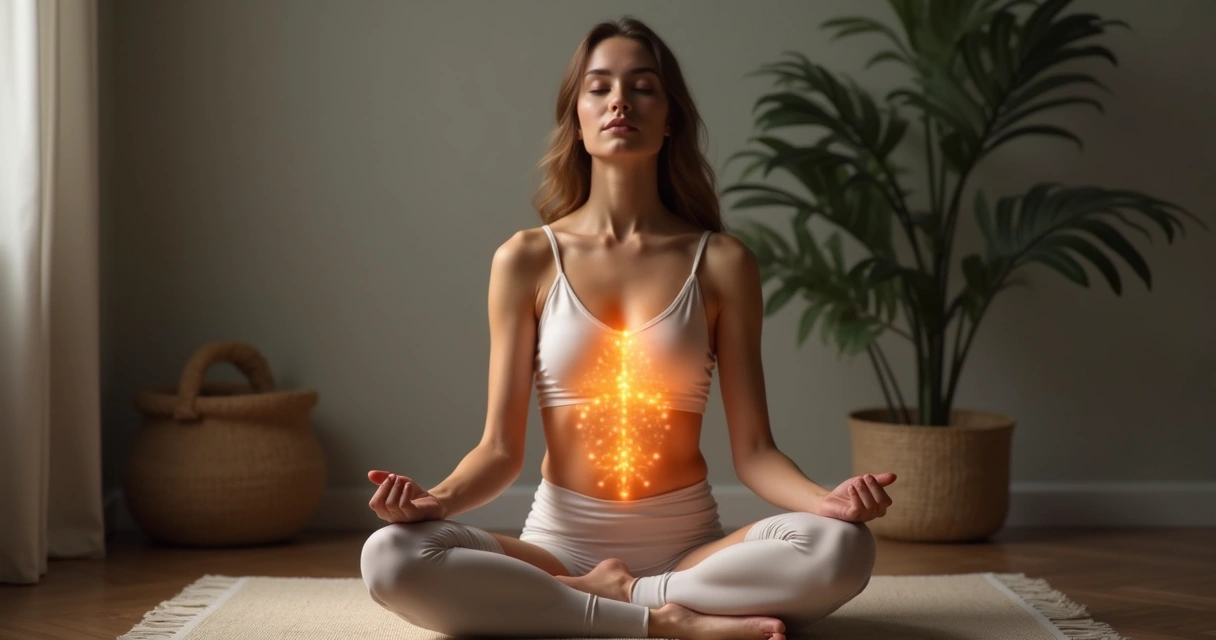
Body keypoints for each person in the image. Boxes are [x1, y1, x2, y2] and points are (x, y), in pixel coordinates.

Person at [359, 16, 896, 640]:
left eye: (643, 86)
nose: (620, 100)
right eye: (599, 87)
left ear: (670, 117)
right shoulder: (526, 259)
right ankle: (670, 627)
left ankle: (607, 602)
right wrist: (434, 502)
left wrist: (826, 501)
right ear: (577, 117)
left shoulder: (722, 262)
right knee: (389, 556)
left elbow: (754, 453)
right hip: (557, 549)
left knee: (843, 549)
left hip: (689, 551)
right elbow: (500, 452)